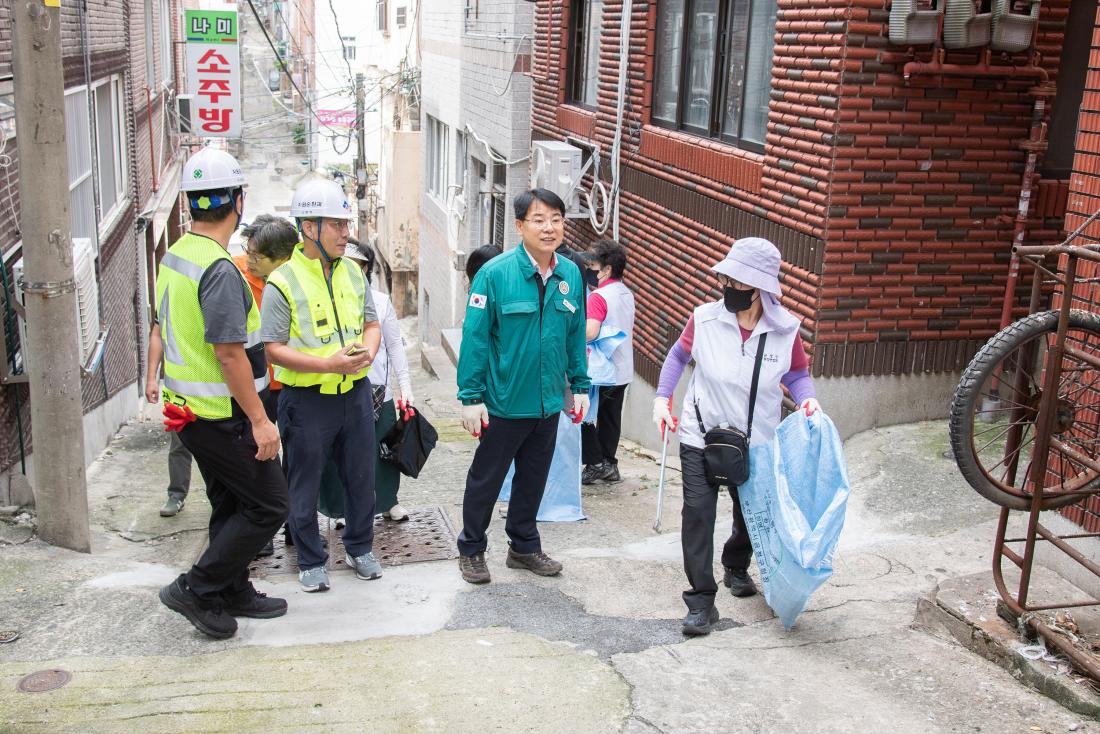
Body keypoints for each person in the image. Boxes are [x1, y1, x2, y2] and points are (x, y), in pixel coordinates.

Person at [652, 237, 821, 637]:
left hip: (756, 440)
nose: (728, 287)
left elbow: (797, 374)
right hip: (700, 434)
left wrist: (808, 400)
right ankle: (701, 602)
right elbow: (678, 356)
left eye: (737, 282)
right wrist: (662, 398)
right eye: (725, 279)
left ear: (760, 289)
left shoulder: (785, 331)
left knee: (751, 514)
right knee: (697, 514)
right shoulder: (705, 319)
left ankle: (735, 564)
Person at [155, 147, 289, 640]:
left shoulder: (176, 254)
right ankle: (197, 588)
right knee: (270, 504)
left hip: (193, 412)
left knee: (232, 503)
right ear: (237, 200)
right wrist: (260, 420)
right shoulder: (218, 268)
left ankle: (231, 588)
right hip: (222, 415)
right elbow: (229, 353)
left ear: (190, 203)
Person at [455, 188, 590, 584]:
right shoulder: (494, 274)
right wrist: (471, 397)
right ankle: (472, 549)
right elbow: (475, 338)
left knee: (533, 479)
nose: (549, 228)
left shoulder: (570, 274)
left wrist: (580, 386)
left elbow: (575, 334)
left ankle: (524, 547)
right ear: (519, 226)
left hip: (548, 402)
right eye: (539, 220)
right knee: (487, 479)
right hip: (503, 402)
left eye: (556, 220)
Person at [261, 178, 382, 593]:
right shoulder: (283, 281)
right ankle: (311, 559)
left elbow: (371, 323)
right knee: (304, 483)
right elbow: (273, 349)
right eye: (337, 225)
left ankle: (360, 548)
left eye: (346, 224)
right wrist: (328, 364)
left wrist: (368, 353)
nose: (346, 233)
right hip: (307, 401)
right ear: (308, 227)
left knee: (362, 478)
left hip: (356, 395)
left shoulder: (353, 273)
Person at [232, 214, 299, 556]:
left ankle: (296, 528)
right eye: (249, 251)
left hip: (292, 382)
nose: (250, 259)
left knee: (297, 458)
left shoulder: (297, 278)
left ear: (283, 257)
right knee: (258, 457)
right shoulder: (235, 273)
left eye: (257, 254)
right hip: (254, 386)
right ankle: (261, 532)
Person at [343, 240, 415, 521]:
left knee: (384, 448)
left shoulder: (381, 301)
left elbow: (395, 346)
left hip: (379, 390)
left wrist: (405, 388)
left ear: (366, 269)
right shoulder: (328, 299)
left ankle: (387, 501)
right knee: (344, 450)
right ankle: (342, 508)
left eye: (357, 265)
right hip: (340, 386)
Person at [580, 240, 635, 485]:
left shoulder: (598, 296)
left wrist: (571, 335)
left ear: (607, 269)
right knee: (611, 417)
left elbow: (590, 332)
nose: (590, 270)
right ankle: (610, 465)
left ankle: (594, 464)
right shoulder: (626, 293)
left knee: (586, 414)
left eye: (593, 266)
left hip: (601, 371)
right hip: (623, 369)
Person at [145, 321, 193, 518]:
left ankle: (224, 498)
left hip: (214, 387)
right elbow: (157, 335)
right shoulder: (166, 300)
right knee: (179, 443)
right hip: (179, 389)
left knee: (219, 445)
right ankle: (176, 494)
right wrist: (151, 379)